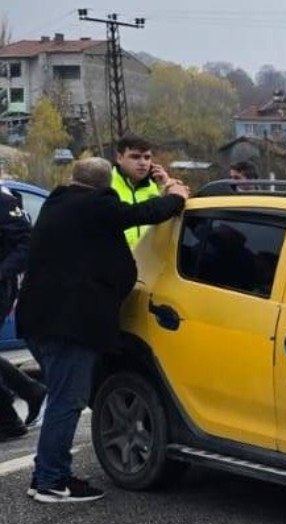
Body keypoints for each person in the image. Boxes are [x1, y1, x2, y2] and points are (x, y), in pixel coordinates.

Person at [17, 157, 189, 503]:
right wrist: (176, 195)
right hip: (71, 325)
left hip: (39, 319)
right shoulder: (97, 206)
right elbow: (144, 214)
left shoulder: (57, 203)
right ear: (105, 185)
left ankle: (47, 473)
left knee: (61, 400)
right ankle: (51, 480)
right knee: (67, 402)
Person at [0, 185, 46, 440]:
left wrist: (2, 271)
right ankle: (29, 390)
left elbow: (26, 244)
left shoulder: (4, 202)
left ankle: (7, 419)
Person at [111, 135, 172, 249]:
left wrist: (167, 185)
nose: (143, 163)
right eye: (135, 157)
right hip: (115, 260)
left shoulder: (156, 185)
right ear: (119, 158)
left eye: (147, 157)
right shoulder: (105, 184)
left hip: (151, 260)